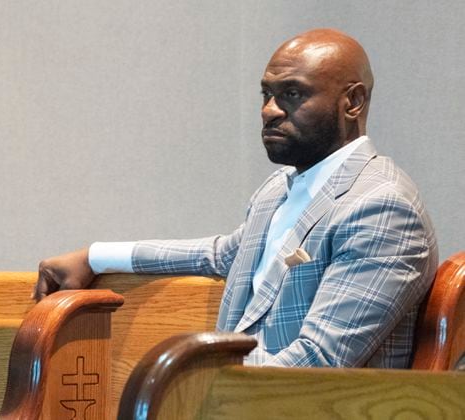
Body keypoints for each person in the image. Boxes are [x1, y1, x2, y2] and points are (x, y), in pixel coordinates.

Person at [34, 28, 438, 368]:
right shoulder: (279, 188)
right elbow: (220, 255)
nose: (269, 111)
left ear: (352, 102)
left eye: (292, 94)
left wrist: (185, 379)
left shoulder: (381, 207)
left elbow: (318, 363)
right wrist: (94, 256)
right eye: (266, 94)